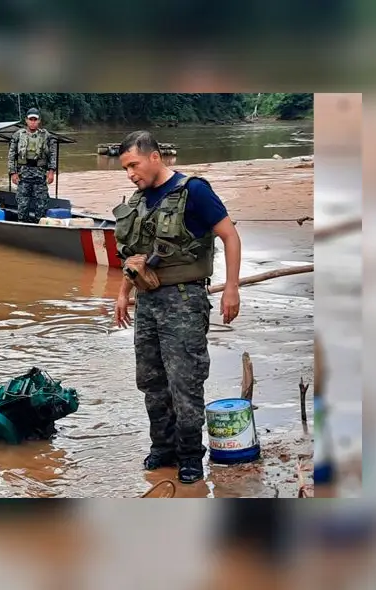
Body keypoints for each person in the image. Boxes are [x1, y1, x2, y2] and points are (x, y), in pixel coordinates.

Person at [111, 130, 242, 484]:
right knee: (151, 381)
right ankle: (163, 449)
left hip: (185, 300)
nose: (130, 174)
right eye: (125, 168)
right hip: (148, 301)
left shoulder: (194, 191)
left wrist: (231, 289)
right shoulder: (140, 200)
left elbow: (230, 236)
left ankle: (189, 456)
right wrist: (124, 292)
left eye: (133, 165)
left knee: (185, 382)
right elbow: (136, 256)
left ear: (155, 157)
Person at [7, 107, 57, 223]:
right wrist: (13, 173)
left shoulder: (47, 136)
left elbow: (53, 155)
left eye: (35, 119)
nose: (33, 122)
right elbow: (11, 156)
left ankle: (40, 227)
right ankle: (23, 226)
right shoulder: (18, 135)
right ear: (26, 120)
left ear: (39, 121)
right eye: (31, 119)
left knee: (42, 205)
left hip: (40, 176)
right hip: (23, 177)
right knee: (22, 205)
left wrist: (51, 172)